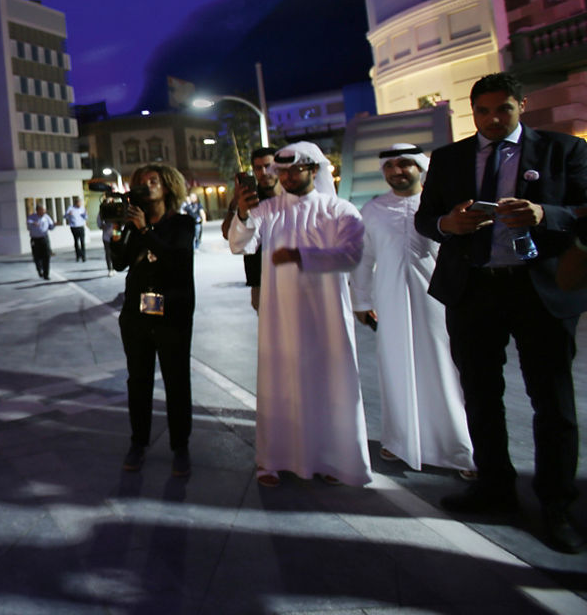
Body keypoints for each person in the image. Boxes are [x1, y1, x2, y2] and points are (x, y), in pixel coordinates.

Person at [414, 72, 587, 554]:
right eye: (483, 111)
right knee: (481, 394)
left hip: (539, 292)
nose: (492, 119)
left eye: (502, 110)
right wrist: (448, 223)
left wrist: (545, 214)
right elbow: (426, 218)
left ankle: (555, 503)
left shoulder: (563, 151)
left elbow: (584, 207)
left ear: (521, 106)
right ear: (472, 112)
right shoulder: (449, 159)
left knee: (551, 402)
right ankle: (494, 486)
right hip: (474, 291)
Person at [228, 141, 371, 488]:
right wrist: (243, 215)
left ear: (314, 170)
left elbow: (351, 256)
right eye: (282, 172)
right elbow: (239, 244)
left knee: (328, 383)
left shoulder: (341, 210)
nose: (288, 177)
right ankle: (273, 460)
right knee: (281, 382)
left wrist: (301, 257)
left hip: (326, 317)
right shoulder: (268, 210)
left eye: (295, 170)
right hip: (279, 316)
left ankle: (330, 459)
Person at [351, 143, 474, 478]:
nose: (397, 171)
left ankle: (460, 447)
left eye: (404, 164)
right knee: (395, 367)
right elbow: (364, 259)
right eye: (389, 166)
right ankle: (400, 439)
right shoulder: (373, 210)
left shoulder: (440, 208)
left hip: (440, 303)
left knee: (447, 370)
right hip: (389, 303)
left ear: (420, 168)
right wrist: (361, 302)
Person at [111, 164, 196, 476]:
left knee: (176, 381)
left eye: (153, 181)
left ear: (169, 186)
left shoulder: (183, 223)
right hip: (136, 314)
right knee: (138, 381)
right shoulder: (133, 224)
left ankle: (180, 447)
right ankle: (138, 442)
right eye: (141, 183)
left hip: (172, 314)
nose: (147, 187)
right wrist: (118, 230)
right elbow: (120, 264)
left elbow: (177, 263)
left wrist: (145, 229)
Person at [221, 148, 283, 310]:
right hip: (260, 278)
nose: (263, 172)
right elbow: (228, 234)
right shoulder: (250, 199)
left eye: (268, 166)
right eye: (258, 168)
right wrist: (236, 202)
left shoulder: (290, 197)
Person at [27, 204, 56, 279]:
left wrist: (54, 225)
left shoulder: (46, 217)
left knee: (46, 256)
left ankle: (46, 274)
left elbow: (51, 227)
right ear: (37, 210)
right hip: (35, 240)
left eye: (44, 210)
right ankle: (39, 269)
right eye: (42, 210)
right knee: (37, 256)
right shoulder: (32, 217)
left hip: (44, 238)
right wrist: (33, 223)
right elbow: (28, 222)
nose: (44, 211)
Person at [65, 196, 88, 261]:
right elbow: (65, 216)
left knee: (82, 241)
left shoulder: (82, 208)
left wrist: (85, 214)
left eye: (80, 202)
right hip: (74, 227)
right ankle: (78, 256)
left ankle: (83, 256)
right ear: (75, 203)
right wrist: (68, 214)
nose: (79, 204)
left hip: (81, 226)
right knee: (76, 242)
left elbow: (85, 217)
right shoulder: (70, 208)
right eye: (78, 202)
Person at [97, 204, 118, 276]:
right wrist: (102, 225)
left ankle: (115, 266)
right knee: (108, 253)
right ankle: (110, 269)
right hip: (106, 236)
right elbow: (99, 223)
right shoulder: (102, 211)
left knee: (116, 251)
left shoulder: (117, 209)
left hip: (116, 233)